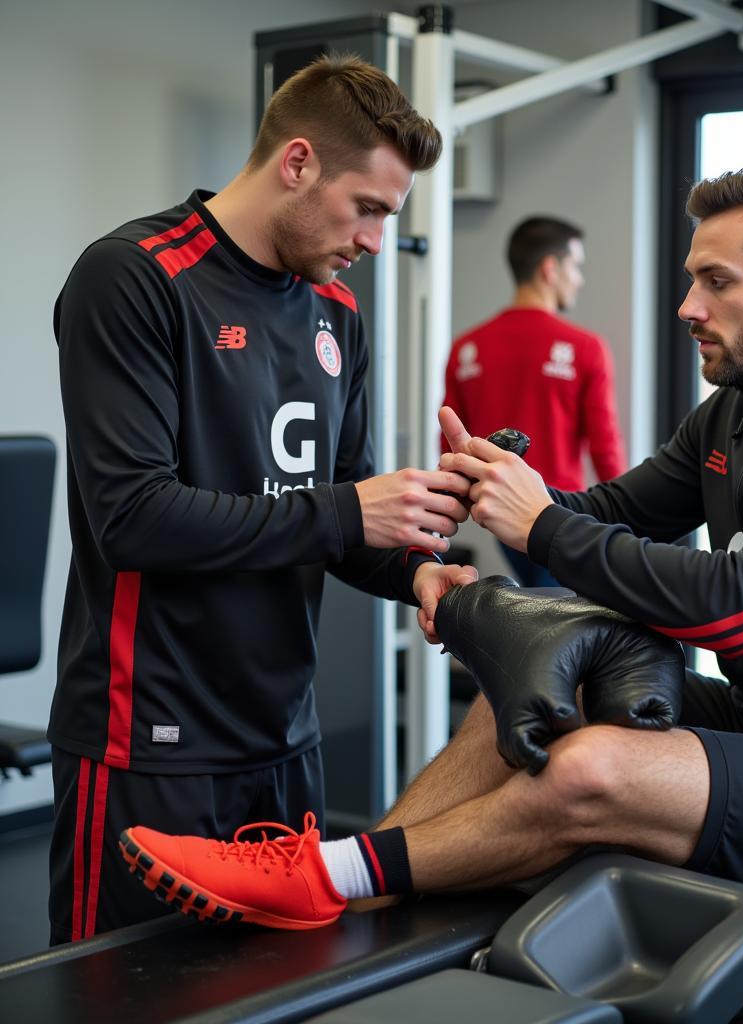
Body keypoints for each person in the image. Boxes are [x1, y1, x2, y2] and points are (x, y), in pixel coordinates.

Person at [116, 164, 743, 930]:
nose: (686, 305)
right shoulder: (739, 413)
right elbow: (611, 509)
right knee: (532, 686)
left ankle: (327, 879)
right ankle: (347, 901)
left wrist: (541, 525)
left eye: (716, 281)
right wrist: (485, 488)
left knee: (589, 768)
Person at [47, 53, 479, 945]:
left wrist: (420, 573)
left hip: (285, 736)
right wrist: (351, 511)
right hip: (150, 738)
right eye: (368, 209)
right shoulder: (134, 277)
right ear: (297, 163)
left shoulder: (338, 318)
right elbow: (133, 517)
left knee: (274, 991)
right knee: (115, 1000)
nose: (372, 241)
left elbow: (341, 522)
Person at [441, 216, 626, 587]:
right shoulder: (585, 349)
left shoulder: (467, 348)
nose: (580, 279)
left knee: (538, 618)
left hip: (497, 517)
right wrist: (624, 535)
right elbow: (605, 449)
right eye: (576, 266)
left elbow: (449, 444)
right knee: (558, 626)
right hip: (559, 520)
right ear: (550, 268)